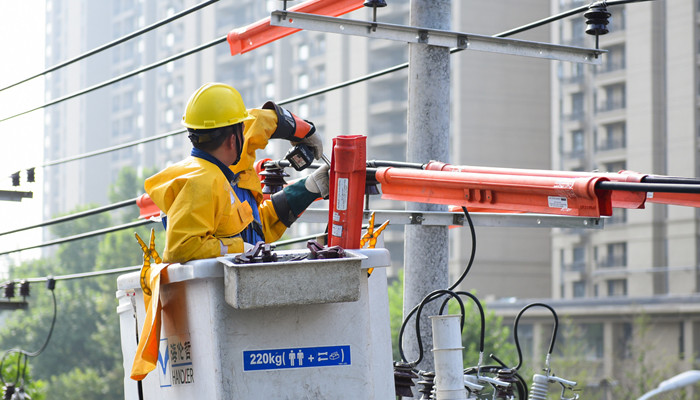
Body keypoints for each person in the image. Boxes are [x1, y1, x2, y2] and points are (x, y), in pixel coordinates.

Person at [144, 82, 329, 263]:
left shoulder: (219, 176)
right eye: (242, 127)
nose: (246, 131)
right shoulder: (202, 182)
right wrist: (240, 248)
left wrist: (308, 188)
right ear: (232, 140)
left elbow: (253, 228)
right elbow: (181, 248)